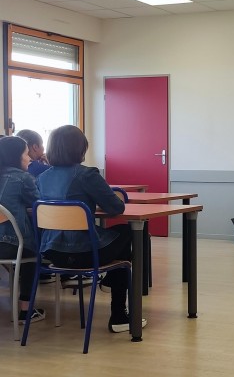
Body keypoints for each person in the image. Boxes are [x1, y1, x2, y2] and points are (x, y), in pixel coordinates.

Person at [36, 124, 146, 333]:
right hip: (83, 252)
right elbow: (115, 207)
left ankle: (113, 287)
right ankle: (118, 314)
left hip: (52, 253)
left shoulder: (42, 178)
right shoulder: (87, 175)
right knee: (130, 232)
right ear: (80, 149)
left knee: (120, 243)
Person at [0, 136, 45, 323]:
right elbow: (40, 205)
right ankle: (26, 310)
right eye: (26, 154)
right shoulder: (22, 178)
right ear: (15, 156)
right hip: (10, 244)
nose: (30, 159)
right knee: (32, 250)